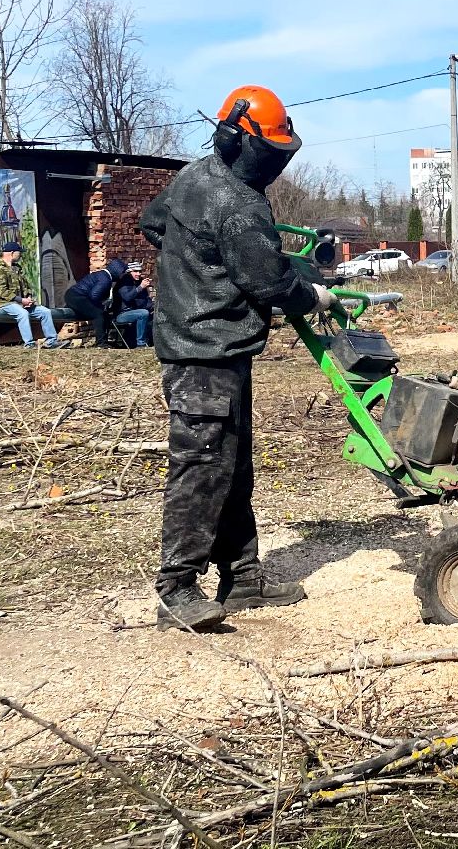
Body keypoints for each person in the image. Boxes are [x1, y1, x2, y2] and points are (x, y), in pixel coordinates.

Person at [138, 85, 335, 631]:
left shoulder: (193, 177)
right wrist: (312, 295)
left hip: (215, 345)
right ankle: (177, 587)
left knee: (230, 462)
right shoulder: (236, 203)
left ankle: (243, 577)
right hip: (203, 348)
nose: (274, 165)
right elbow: (266, 278)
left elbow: (154, 225)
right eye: (271, 153)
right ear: (240, 140)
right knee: (201, 465)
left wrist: (198, 266)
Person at [0, 241, 60, 348]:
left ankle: (52, 341)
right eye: (19, 252)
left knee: (45, 312)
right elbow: (1, 291)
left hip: (20, 302)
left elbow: (25, 286)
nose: (20, 255)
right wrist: (20, 300)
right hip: (4, 303)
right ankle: (29, 344)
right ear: (12, 253)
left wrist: (28, 298)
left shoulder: (16, 268)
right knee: (23, 314)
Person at [65, 260, 128, 346]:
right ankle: (101, 343)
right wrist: (100, 306)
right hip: (77, 297)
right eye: (122, 273)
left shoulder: (103, 275)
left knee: (103, 314)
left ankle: (105, 340)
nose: (122, 276)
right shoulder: (105, 280)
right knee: (98, 314)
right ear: (116, 271)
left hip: (73, 295)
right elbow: (94, 296)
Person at [114, 261, 154, 349]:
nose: (138, 274)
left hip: (135, 311)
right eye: (135, 271)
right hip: (122, 314)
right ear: (129, 272)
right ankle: (141, 344)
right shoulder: (124, 282)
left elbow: (144, 300)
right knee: (143, 313)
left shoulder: (139, 282)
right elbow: (127, 297)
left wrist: (153, 307)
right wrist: (140, 287)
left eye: (139, 271)